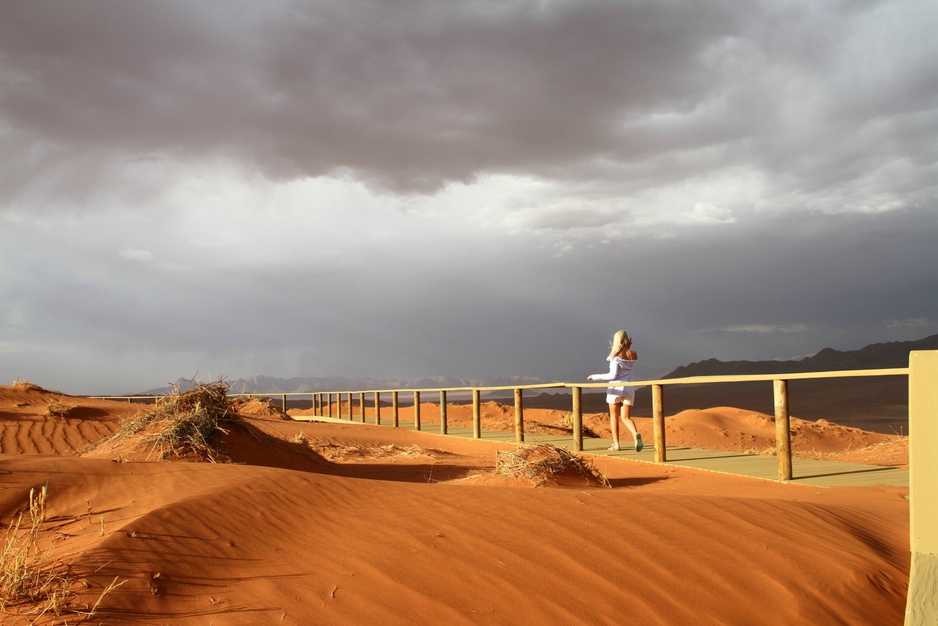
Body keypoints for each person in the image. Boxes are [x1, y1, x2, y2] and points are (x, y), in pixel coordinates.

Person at [587, 330, 643, 452]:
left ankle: (616, 445)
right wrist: (628, 347)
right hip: (629, 388)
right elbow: (627, 358)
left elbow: (613, 375)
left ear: (616, 340)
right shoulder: (633, 354)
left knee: (614, 417)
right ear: (627, 340)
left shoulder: (615, 356)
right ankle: (635, 434)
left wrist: (595, 377)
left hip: (615, 389)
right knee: (626, 417)